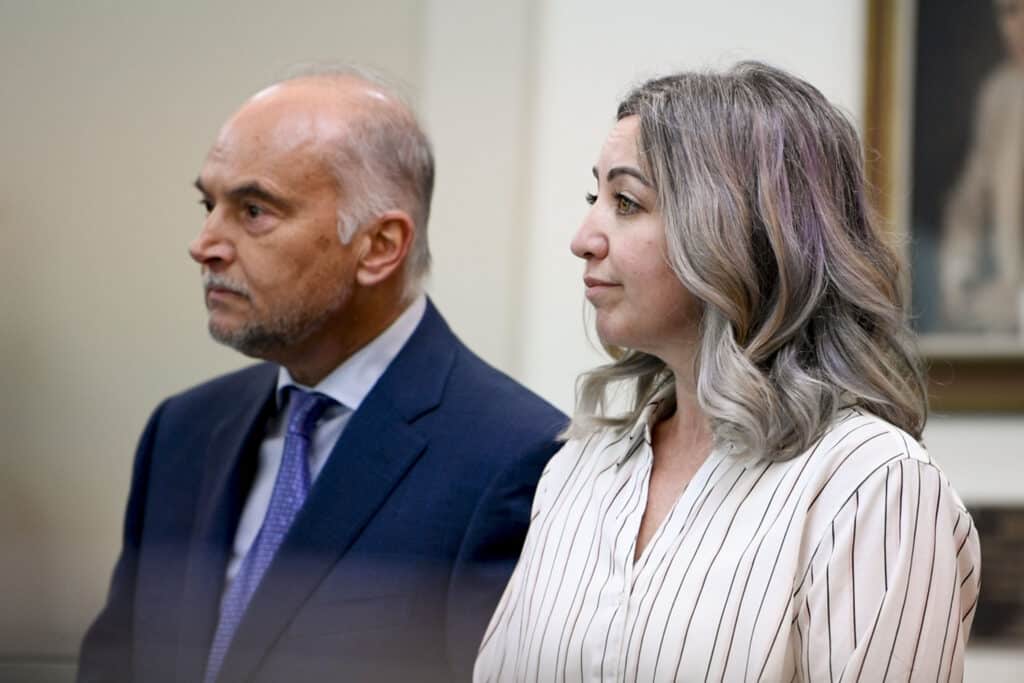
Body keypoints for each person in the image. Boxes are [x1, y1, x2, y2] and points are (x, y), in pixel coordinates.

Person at [475, 62, 981, 682]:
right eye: (595, 198)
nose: (584, 238)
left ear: (743, 232)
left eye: (627, 203)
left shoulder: (872, 483)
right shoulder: (579, 470)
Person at [77, 67, 566, 683]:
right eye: (209, 204)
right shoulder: (182, 430)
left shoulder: (516, 457)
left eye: (253, 211)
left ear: (380, 245)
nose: (204, 244)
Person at [940, 0, 1024, 334]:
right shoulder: (1001, 94)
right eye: (1010, 11)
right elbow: (969, 204)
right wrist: (960, 282)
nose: (1017, 25)